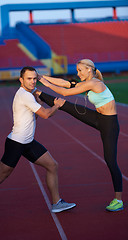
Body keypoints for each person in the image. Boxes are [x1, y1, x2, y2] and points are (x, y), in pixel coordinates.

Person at [0, 66, 76, 220]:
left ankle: (56, 203)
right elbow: (46, 114)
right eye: (29, 79)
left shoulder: (29, 94)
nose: (33, 81)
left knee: (52, 165)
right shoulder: (25, 96)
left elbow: (37, 117)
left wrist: (39, 104)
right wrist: (57, 105)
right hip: (16, 143)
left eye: (34, 78)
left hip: (28, 142)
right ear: (21, 80)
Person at [35, 59, 123, 212]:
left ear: (89, 70)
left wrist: (45, 83)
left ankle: (118, 200)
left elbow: (65, 92)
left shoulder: (94, 83)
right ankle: (39, 94)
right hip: (97, 117)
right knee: (63, 105)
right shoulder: (87, 82)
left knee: (110, 161)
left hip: (109, 124)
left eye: (80, 70)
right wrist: (42, 77)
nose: (78, 73)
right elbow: (64, 83)